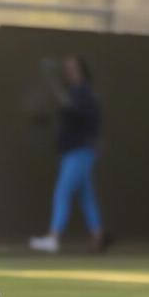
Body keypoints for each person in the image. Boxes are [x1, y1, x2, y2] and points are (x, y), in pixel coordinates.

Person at [29, 55, 110, 254]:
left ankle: (53, 237)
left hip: (80, 152)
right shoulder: (73, 92)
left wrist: (53, 82)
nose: (69, 72)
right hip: (72, 151)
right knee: (86, 196)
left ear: (81, 70)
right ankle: (98, 236)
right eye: (67, 68)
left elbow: (74, 109)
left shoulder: (84, 94)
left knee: (62, 192)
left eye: (72, 68)